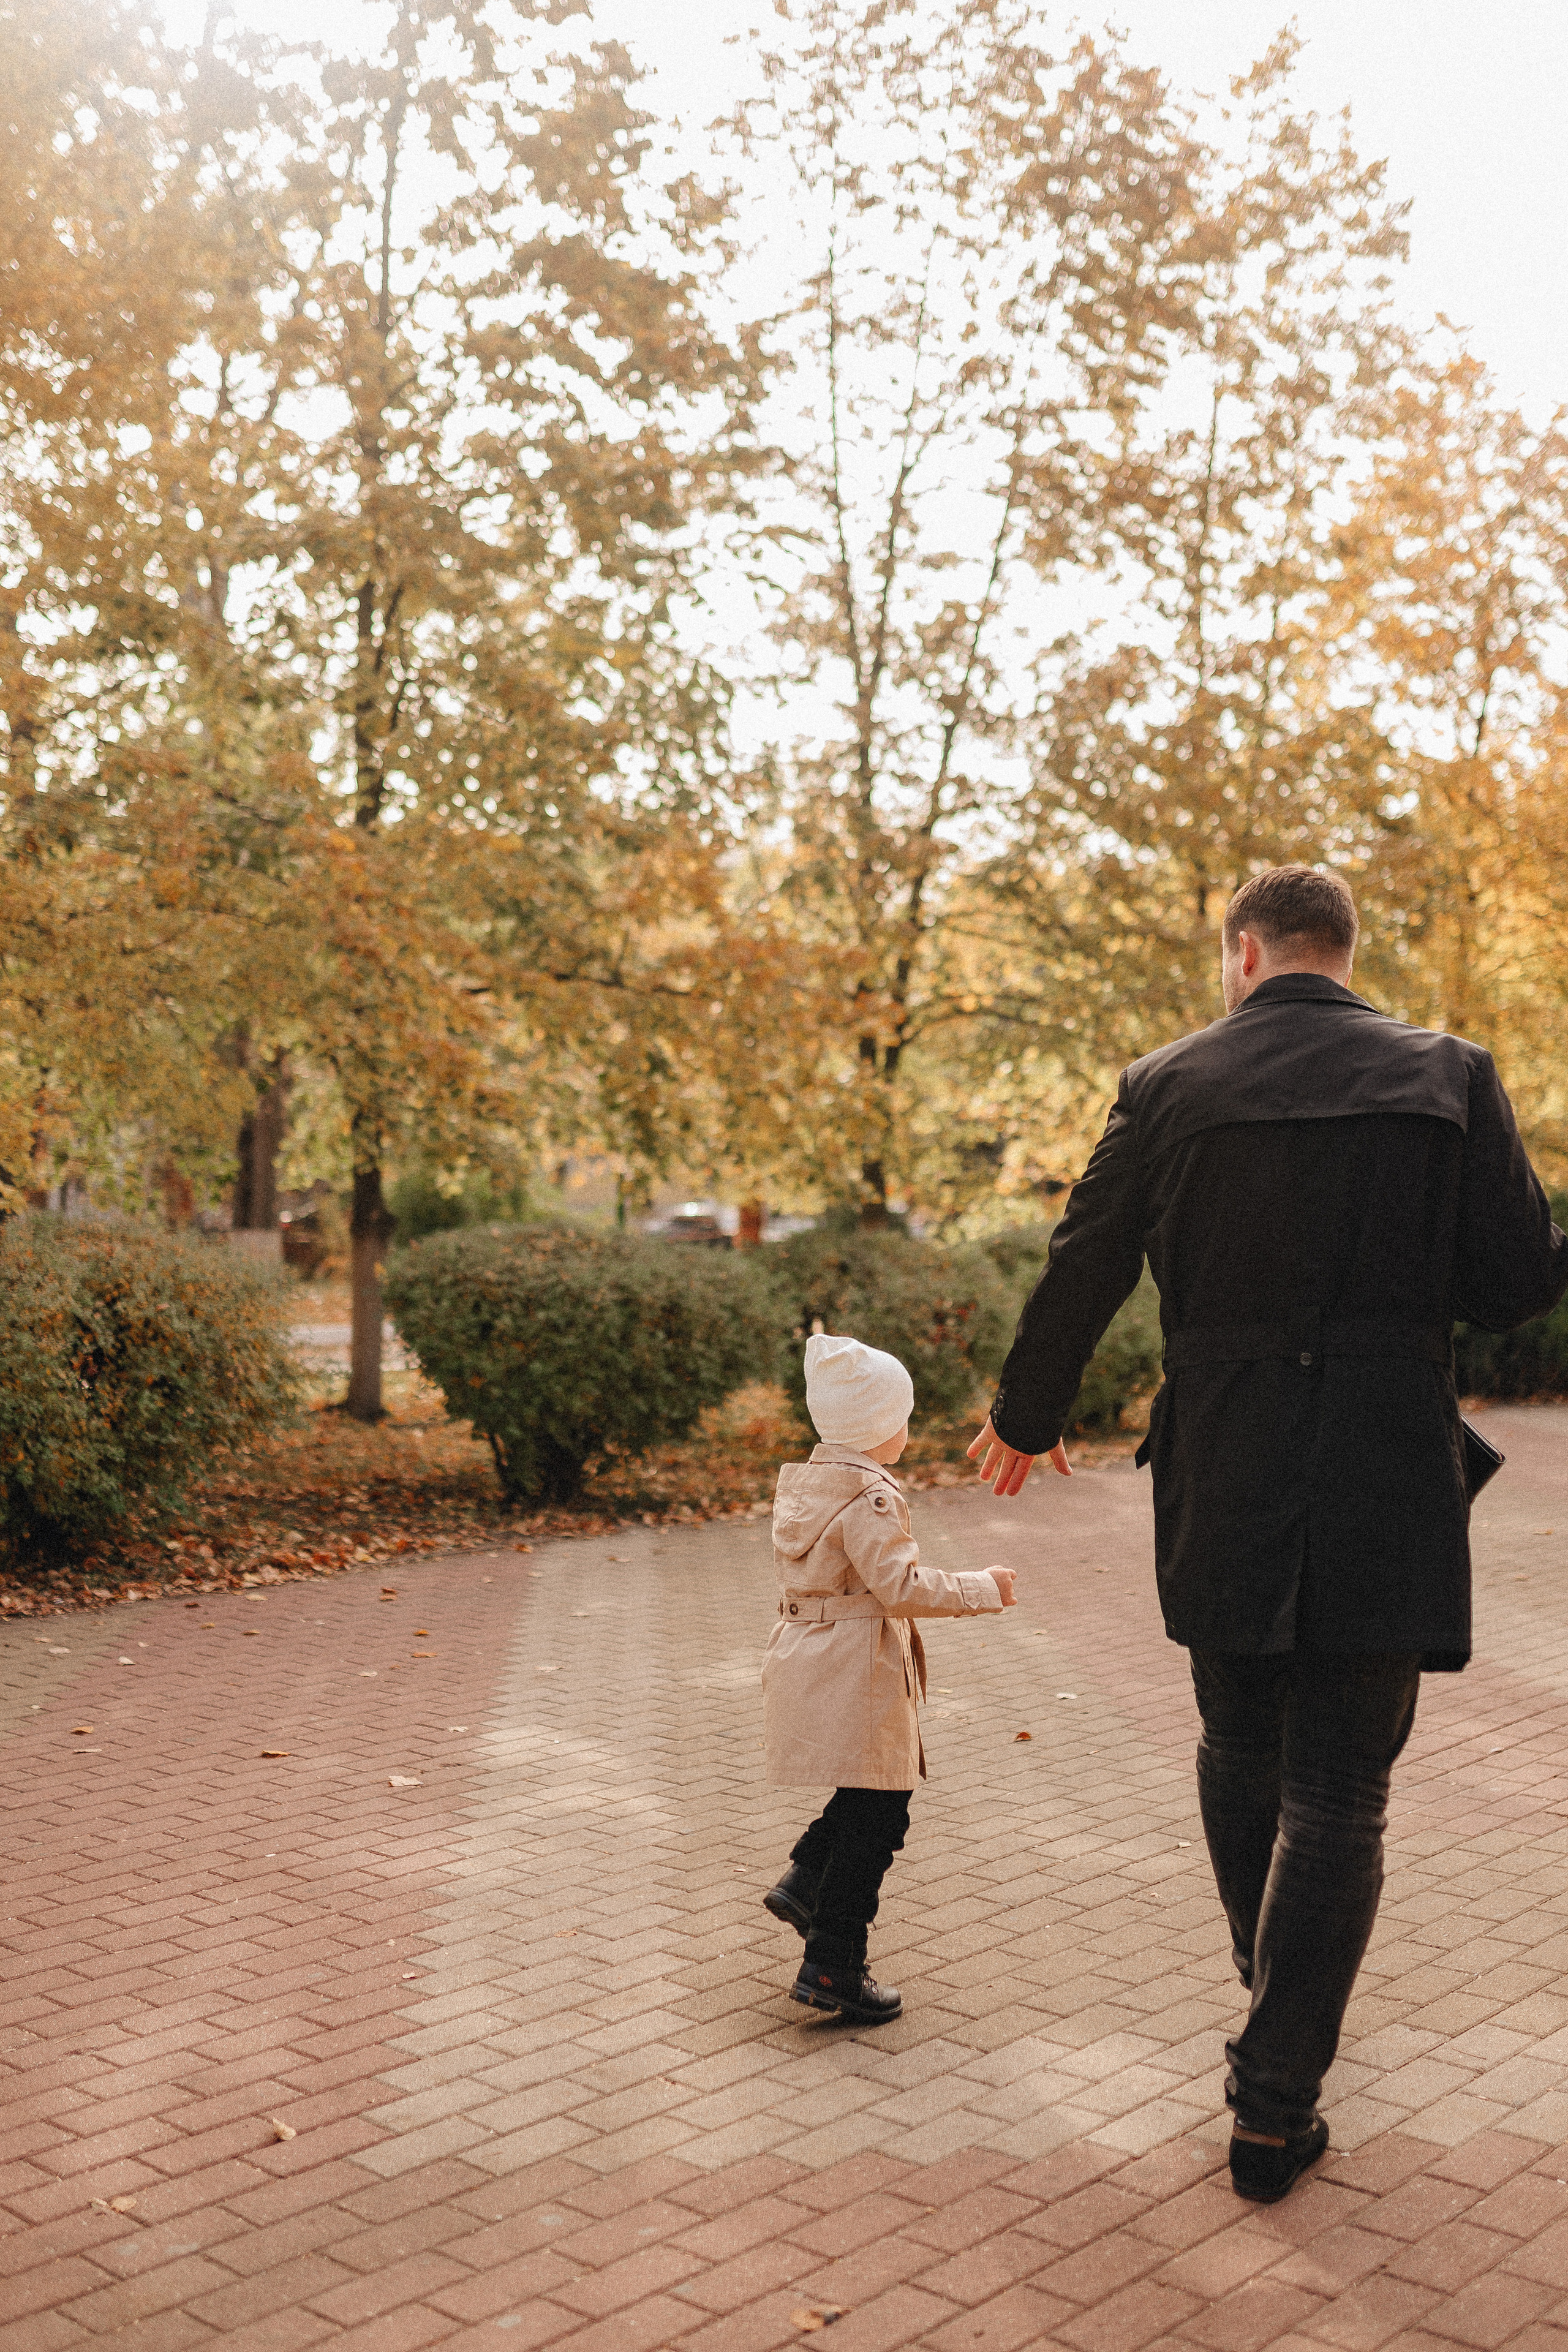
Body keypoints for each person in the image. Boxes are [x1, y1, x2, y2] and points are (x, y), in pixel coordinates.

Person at [970, 866, 1568, 2201]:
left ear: (1240, 954)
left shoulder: (1164, 1083)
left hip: (1224, 1456)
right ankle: (1273, 2085)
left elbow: (1087, 1256)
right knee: (1342, 1788)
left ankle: (1274, 2016)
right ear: (1339, 954)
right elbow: (1512, 1283)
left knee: (1239, 1744)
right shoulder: (1447, 1076)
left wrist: (1024, 1412)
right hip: (1381, 1460)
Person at [764, 1331, 1016, 2024]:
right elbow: (899, 1586)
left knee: (868, 1795)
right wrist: (981, 1587)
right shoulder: (870, 1496)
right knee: (881, 1812)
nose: (905, 1428)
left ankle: (807, 1879)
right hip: (857, 1669)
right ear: (878, 1426)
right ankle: (833, 1963)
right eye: (901, 1417)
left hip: (816, 1657)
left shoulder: (809, 1482)